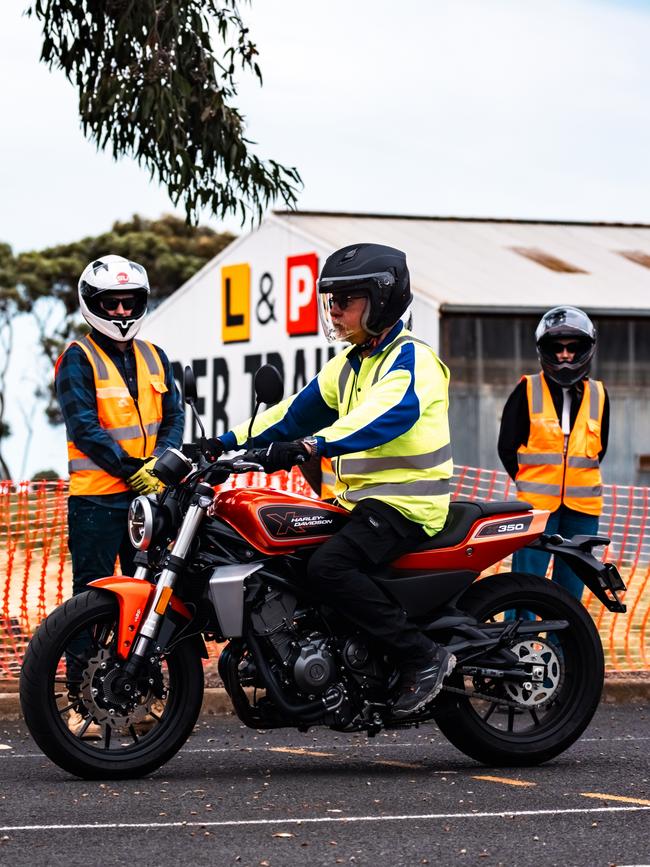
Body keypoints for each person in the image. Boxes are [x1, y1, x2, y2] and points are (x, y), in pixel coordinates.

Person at [208, 243, 456, 717]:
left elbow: (381, 417)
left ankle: (421, 654)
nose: (335, 309)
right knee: (288, 561)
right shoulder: (349, 365)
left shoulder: (412, 361)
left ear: (382, 300)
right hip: (356, 505)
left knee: (328, 568)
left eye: (347, 299)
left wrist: (310, 447)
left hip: (405, 507)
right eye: (331, 299)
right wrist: (220, 443)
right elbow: (291, 414)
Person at [55, 254, 184, 732]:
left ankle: (143, 701)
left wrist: (163, 466)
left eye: (130, 302)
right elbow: (85, 428)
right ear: (94, 305)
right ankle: (78, 703)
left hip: (149, 501)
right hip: (95, 499)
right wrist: (136, 471)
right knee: (90, 603)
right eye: (112, 303)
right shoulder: (77, 357)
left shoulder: (156, 356)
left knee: (150, 600)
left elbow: (173, 417)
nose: (122, 312)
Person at [498, 306, 609, 605]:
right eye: (557, 348)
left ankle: (564, 650)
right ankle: (516, 650)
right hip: (536, 509)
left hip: (582, 512)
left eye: (573, 348)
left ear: (585, 350)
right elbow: (506, 447)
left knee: (570, 592)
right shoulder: (527, 389)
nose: (564, 355)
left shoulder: (599, 394)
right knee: (524, 587)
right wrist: (532, 482)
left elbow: (600, 450)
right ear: (544, 350)